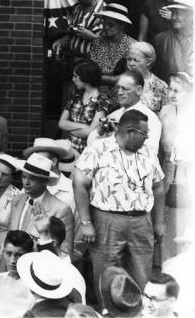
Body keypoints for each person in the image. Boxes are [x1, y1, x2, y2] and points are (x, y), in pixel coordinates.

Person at [74, 108, 165, 300]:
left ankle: (140, 313)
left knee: (142, 275)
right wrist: (85, 222)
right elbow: (80, 184)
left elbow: (158, 186)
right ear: (129, 131)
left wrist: (158, 222)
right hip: (107, 221)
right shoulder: (98, 149)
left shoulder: (148, 152)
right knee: (107, 275)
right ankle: (108, 311)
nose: (146, 138)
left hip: (142, 221)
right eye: (144, 134)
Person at [5, 153, 75, 259]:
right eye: (24, 177)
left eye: (33, 178)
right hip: (12, 266)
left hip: (39, 269)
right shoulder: (17, 200)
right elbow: (8, 240)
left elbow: (64, 252)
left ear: (45, 181)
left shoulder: (61, 209)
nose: (26, 182)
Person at [88, 2, 136, 84]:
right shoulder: (97, 43)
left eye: (111, 24)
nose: (106, 27)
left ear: (122, 25)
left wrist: (101, 78)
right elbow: (90, 73)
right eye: (104, 23)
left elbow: (133, 76)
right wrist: (115, 79)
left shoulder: (133, 46)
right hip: (98, 92)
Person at [156, 0, 194, 82]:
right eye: (173, 13)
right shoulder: (160, 39)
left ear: (191, 15)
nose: (174, 17)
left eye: (179, 13)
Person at [127, 41, 170, 112]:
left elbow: (167, 114)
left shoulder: (161, 86)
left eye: (135, 60)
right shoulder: (122, 81)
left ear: (148, 62)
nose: (131, 63)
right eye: (129, 59)